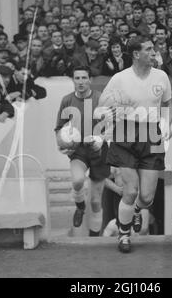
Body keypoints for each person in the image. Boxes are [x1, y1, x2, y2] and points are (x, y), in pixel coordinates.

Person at [100, 36, 172, 253]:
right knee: (130, 192)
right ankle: (123, 235)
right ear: (136, 54)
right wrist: (109, 113)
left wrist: (167, 124)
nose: (154, 52)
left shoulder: (161, 76)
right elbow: (103, 104)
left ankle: (136, 212)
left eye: (154, 49)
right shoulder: (119, 79)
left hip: (151, 134)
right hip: (125, 133)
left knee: (147, 197)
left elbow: (168, 105)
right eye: (149, 49)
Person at [54, 66, 110, 237]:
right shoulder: (67, 100)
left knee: (95, 201)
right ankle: (79, 207)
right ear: (73, 80)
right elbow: (58, 128)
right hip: (78, 150)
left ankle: (94, 238)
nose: (80, 82)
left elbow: (112, 126)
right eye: (77, 78)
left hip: (99, 150)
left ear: (90, 80)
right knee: (77, 181)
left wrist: (101, 140)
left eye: (84, 78)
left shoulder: (101, 99)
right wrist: (61, 142)